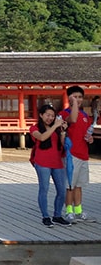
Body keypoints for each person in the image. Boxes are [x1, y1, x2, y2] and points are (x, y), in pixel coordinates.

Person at [29, 104, 71, 227]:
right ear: (41, 115)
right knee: (44, 188)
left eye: (53, 116)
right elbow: (42, 137)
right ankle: (45, 216)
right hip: (42, 162)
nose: (50, 118)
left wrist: (63, 132)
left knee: (62, 190)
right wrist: (55, 126)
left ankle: (57, 215)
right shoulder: (34, 128)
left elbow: (63, 145)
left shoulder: (57, 129)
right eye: (48, 115)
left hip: (57, 162)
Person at [59, 86, 93, 222]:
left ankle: (78, 210)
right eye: (74, 96)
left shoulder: (85, 116)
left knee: (79, 185)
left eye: (80, 97)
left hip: (83, 154)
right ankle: (68, 211)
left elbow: (86, 134)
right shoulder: (64, 113)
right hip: (70, 154)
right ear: (69, 98)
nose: (78, 99)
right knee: (70, 185)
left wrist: (89, 139)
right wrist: (72, 104)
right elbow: (72, 119)